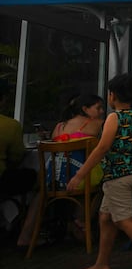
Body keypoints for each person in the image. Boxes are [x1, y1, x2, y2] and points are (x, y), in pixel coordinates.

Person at [67, 73, 132, 269]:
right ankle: (101, 264)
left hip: (117, 176)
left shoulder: (114, 118)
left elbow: (102, 148)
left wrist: (80, 174)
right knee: (105, 217)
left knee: (123, 220)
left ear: (112, 96)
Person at [17, 94, 105, 248]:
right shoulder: (97, 124)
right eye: (98, 108)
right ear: (85, 109)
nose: (102, 111)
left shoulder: (59, 127)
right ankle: (81, 221)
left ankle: (25, 236)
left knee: (41, 195)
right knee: (102, 185)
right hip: (78, 178)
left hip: (52, 178)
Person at [1, 81, 37, 236]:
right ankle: (25, 232)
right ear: (3, 100)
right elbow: (17, 157)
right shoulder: (10, 125)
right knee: (36, 178)